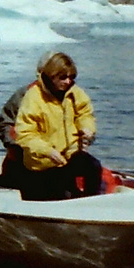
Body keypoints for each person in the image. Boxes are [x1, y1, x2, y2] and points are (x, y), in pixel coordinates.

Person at [10, 52, 102, 201]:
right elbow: (25, 134)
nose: (68, 82)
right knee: (56, 195)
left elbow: (85, 113)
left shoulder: (74, 92)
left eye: (71, 77)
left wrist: (87, 128)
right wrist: (47, 151)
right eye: (63, 78)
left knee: (93, 166)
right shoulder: (33, 97)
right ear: (52, 76)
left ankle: (92, 203)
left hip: (69, 154)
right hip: (44, 162)